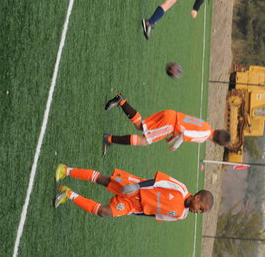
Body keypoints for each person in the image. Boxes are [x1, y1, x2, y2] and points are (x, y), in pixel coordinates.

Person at [54, 163, 213, 221]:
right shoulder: (180, 188)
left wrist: (134, 213)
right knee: (103, 180)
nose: (198, 212)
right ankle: (66, 170)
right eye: (201, 208)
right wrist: (137, 186)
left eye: (201, 212)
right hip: (135, 188)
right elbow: (157, 181)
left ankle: (68, 194)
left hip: (133, 206)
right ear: (197, 197)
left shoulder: (181, 215)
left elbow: (154, 215)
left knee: (103, 212)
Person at [102, 93, 230, 153]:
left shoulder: (206, 126)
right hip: (170, 124)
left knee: (141, 126)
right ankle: (109, 139)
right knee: (144, 140)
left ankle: (122, 101)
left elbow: (186, 126)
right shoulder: (204, 136)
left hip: (171, 115)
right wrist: (176, 145)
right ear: (216, 143)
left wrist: (173, 136)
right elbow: (185, 134)